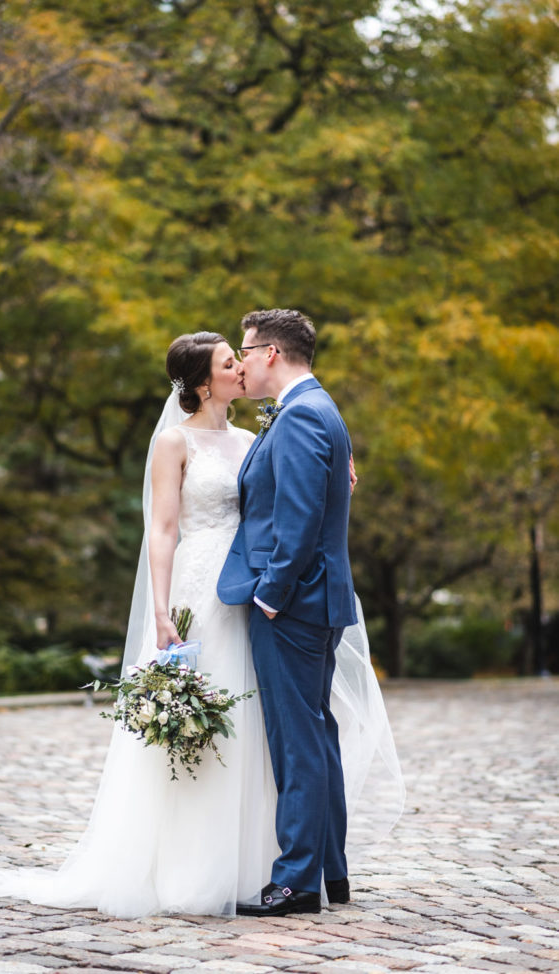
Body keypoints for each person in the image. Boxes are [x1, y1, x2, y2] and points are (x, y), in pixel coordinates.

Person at [0, 330, 403, 919]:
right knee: (224, 725)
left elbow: (289, 494)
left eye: (242, 356)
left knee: (265, 730)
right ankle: (194, 862)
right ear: (204, 382)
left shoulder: (259, 435)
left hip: (254, 595)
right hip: (201, 589)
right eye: (229, 363)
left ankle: (268, 864)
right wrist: (160, 610)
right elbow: (162, 529)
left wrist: (339, 477)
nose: (240, 368)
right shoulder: (173, 443)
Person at [218, 308, 363, 917]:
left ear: (271, 352)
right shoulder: (316, 409)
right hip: (314, 602)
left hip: (295, 606)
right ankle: (331, 871)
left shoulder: (302, 416)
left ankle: (297, 881)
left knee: (297, 741)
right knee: (317, 735)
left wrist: (271, 596)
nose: (243, 363)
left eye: (247, 350)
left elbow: (299, 522)